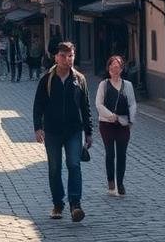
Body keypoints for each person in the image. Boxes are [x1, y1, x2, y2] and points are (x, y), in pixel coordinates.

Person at [33, 41, 92, 222]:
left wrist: (88, 132)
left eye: (71, 56)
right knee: (54, 167)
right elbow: (38, 105)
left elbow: (85, 106)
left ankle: (75, 204)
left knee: (74, 164)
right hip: (52, 131)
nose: (68, 59)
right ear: (56, 57)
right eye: (64, 56)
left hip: (74, 130)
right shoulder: (47, 79)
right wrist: (38, 127)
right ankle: (58, 204)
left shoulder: (79, 79)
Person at [95, 54, 138, 196]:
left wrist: (131, 120)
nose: (115, 69)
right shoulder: (104, 85)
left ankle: (120, 183)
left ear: (121, 69)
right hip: (107, 124)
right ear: (108, 69)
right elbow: (98, 104)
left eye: (118, 67)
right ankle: (110, 182)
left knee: (122, 154)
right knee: (110, 153)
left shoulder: (128, 85)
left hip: (123, 123)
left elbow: (132, 103)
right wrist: (110, 115)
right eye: (112, 67)